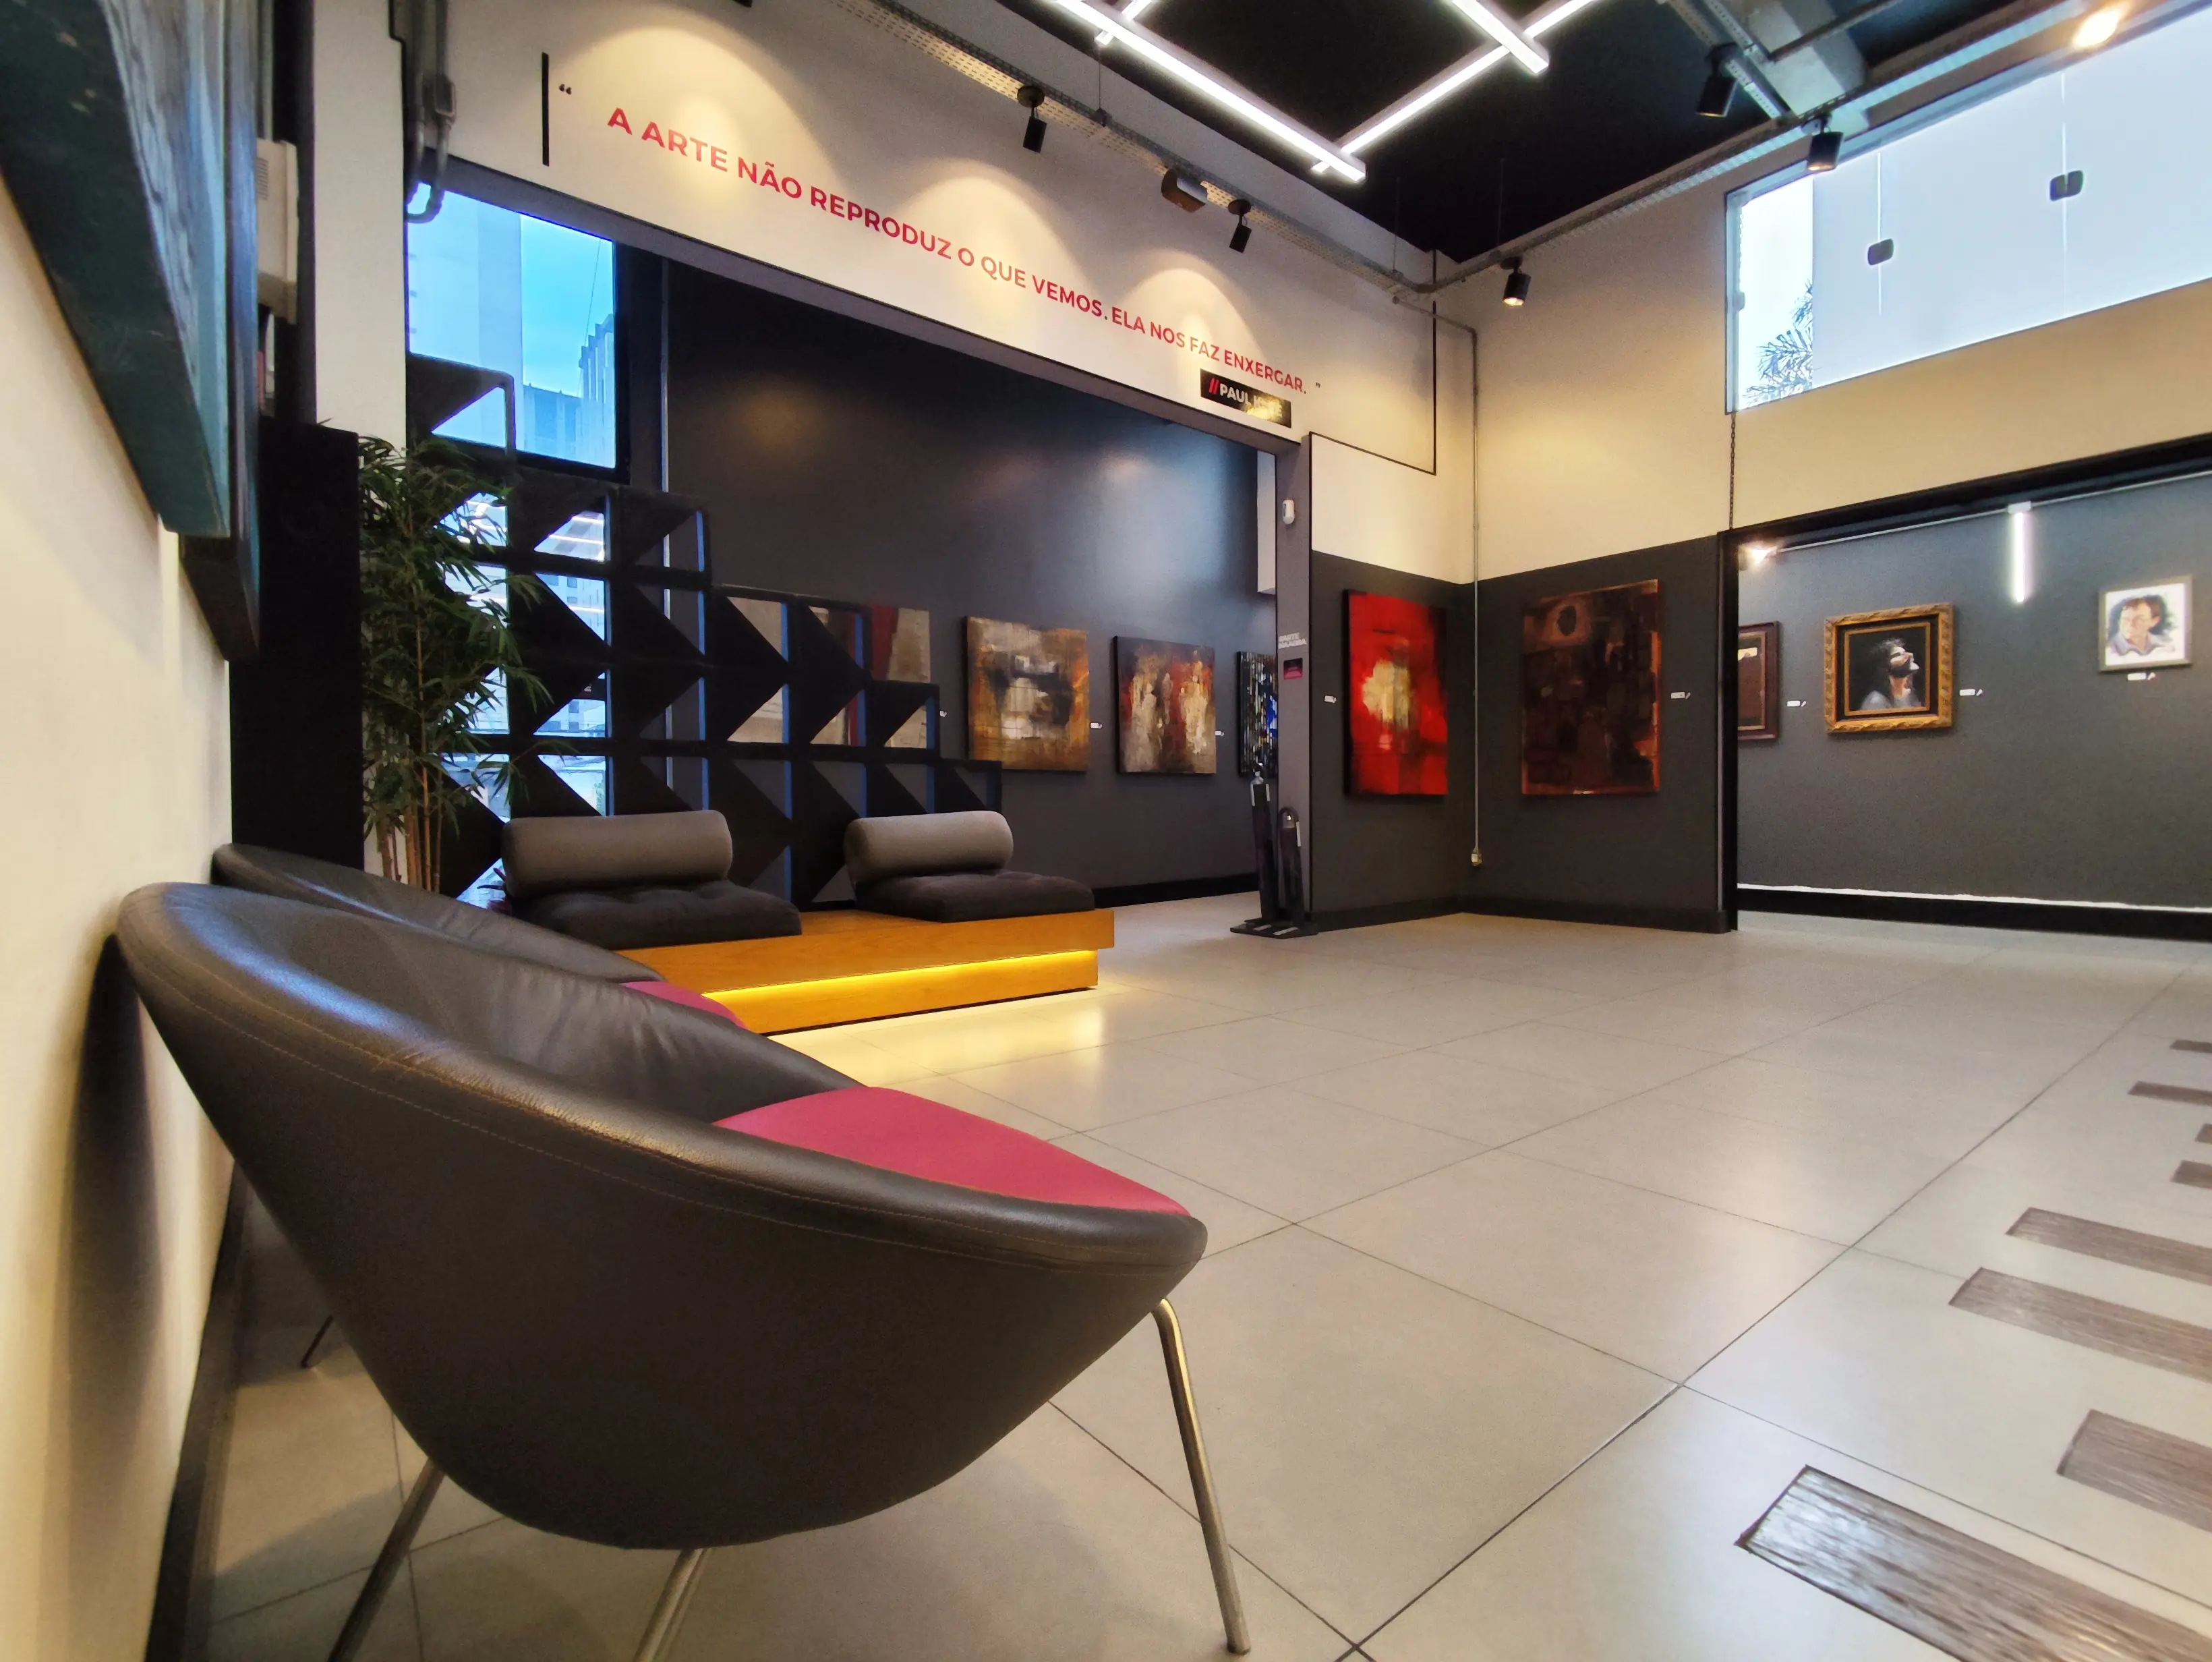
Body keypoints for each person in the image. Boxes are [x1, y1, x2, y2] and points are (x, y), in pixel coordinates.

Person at [1856, 635, 1921, 711]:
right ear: (1885, 666)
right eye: (1898, 655)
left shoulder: (1912, 695)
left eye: (1904, 653)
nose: (1909, 655)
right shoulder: (1876, 702)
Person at [2107, 592, 2175, 660]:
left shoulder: (2167, 646)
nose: (2130, 624)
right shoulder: (2108, 650)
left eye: (2139, 620)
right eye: (2125, 619)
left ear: (2154, 621)